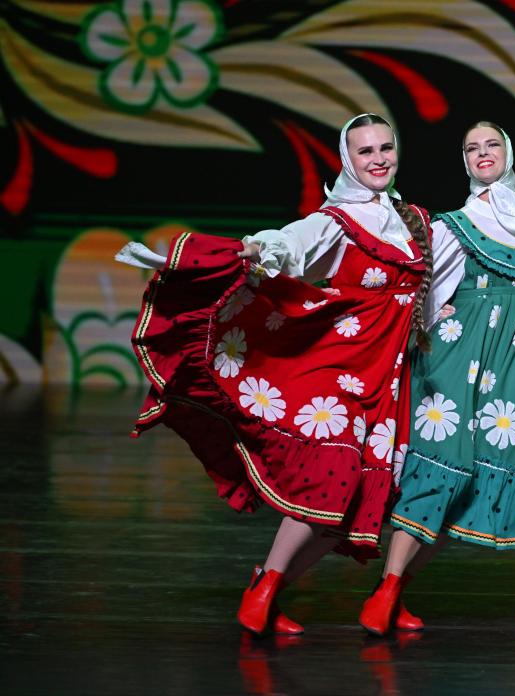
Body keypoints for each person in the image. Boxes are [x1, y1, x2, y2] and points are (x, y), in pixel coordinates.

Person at [118, 113, 433, 635]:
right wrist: (250, 249)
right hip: (340, 368)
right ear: (347, 160)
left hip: (392, 375)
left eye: (385, 148)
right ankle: (263, 588)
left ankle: (266, 592)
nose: (378, 159)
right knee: (329, 481)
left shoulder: (414, 220)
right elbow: (289, 243)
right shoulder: (334, 222)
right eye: (366, 151)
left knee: (356, 500)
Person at [357, 122, 515, 636]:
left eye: (492, 145)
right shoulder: (453, 226)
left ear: (509, 153)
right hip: (456, 360)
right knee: (440, 468)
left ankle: (393, 590)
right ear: (464, 161)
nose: (482, 153)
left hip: (508, 368)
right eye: (472, 148)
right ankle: (386, 590)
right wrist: (430, 332)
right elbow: (425, 296)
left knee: (468, 486)